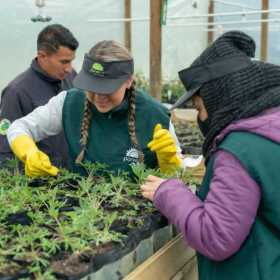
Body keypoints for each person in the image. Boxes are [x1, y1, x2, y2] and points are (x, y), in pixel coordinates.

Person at [141, 31, 280, 280]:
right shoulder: (270, 129)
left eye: (199, 108)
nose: (200, 118)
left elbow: (216, 236)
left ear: (221, 98)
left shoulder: (240, 150)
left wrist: (168, 191)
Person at [6, 40, 183, 177]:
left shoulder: (155, 115)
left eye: (107, 88)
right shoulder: (69, 102)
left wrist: (170, 163)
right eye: (92, 86)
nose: (99, 96)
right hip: (82, 213)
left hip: (140, 217)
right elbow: (19, 127)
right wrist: (29, 153)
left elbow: (178, 177)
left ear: (128, 81)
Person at [0, 24, 79, 168]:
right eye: (64, 62)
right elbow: (6, 150)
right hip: (42, 181)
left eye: (71, 61)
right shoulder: (16, 92)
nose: (69, 68)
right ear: (42, 56)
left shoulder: (71, 77)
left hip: (75, 175)